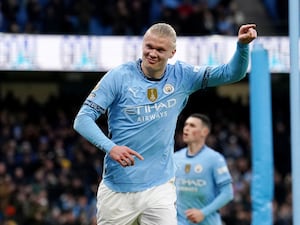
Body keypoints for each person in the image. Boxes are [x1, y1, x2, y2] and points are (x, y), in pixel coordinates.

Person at [73, 22, 257, 225]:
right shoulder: (119, 77)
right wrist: (111, 148)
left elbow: (232, 73)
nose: (152, 53)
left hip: (160, 187)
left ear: (172, 52)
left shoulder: (183, 76)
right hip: (118, 189)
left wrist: (242, 46)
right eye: (149, 47)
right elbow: (83, 119)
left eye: (160, 50)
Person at [174, 113, 234, 225]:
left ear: (204, 132)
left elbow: (228, 193)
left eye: (192, 126)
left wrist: (203, 213)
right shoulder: (176, 158)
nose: (186, 128)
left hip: (208, 221)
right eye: (186, 125)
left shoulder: (214, 159)